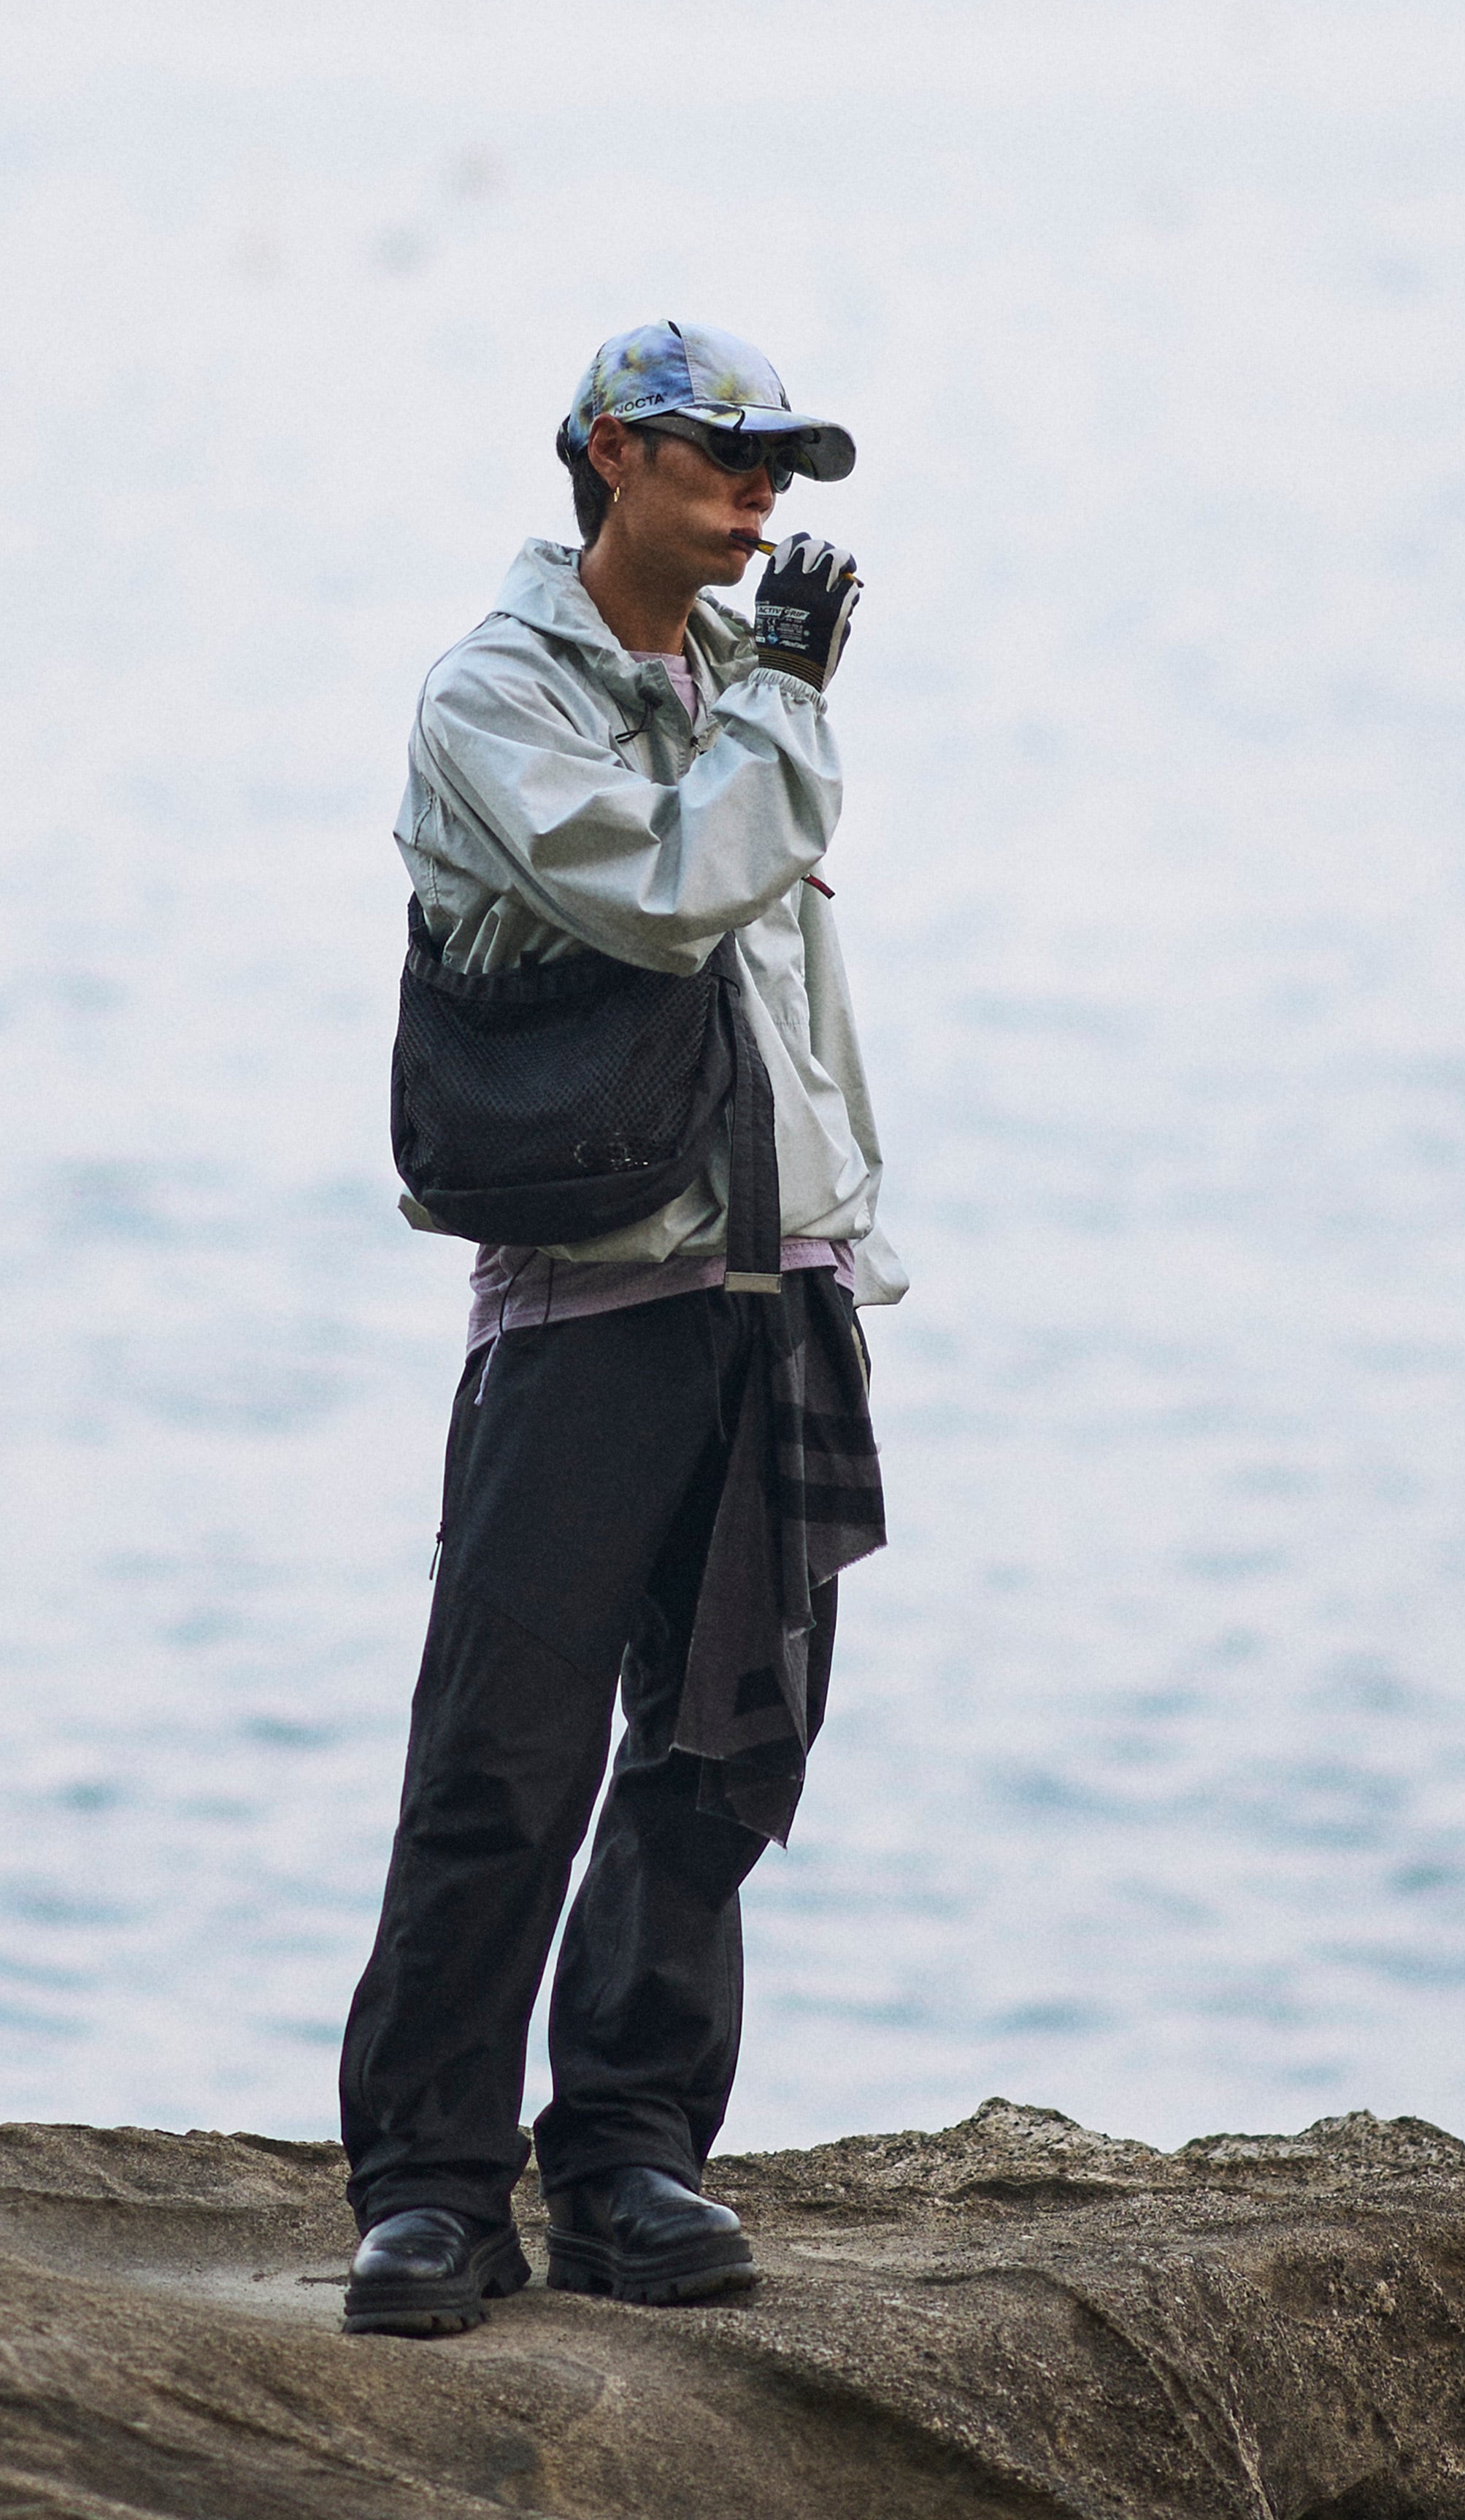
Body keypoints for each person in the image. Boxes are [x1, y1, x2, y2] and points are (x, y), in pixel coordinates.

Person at [339, 320, 906, 2335]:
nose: (760, 491)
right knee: (499, 1762)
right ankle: (428, 2190)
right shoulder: (497, 694)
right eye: (720, 454)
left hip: (779, 1282)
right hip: (586, 1301)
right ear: (603, 454)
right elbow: (666, 894)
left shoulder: (745, 688)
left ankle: (631, 2157)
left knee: (721, 1757)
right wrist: (790, 713)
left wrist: (852, 1238)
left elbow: (793, 1006)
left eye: (782, 466)